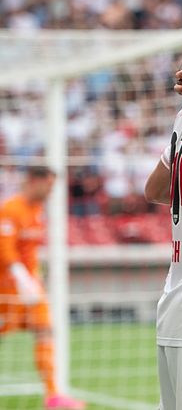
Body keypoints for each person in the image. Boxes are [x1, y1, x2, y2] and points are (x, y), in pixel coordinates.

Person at [0, 167, 85, 410]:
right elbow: (5, 249)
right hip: (7, 289)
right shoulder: (10, 209)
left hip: (30, 287)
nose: (50, 191)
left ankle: (53, 396)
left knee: (45, 331)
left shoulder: (37, 210)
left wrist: (33, 278)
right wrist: (21, 278)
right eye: (48, 185)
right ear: (32, 181)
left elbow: (30, 252)